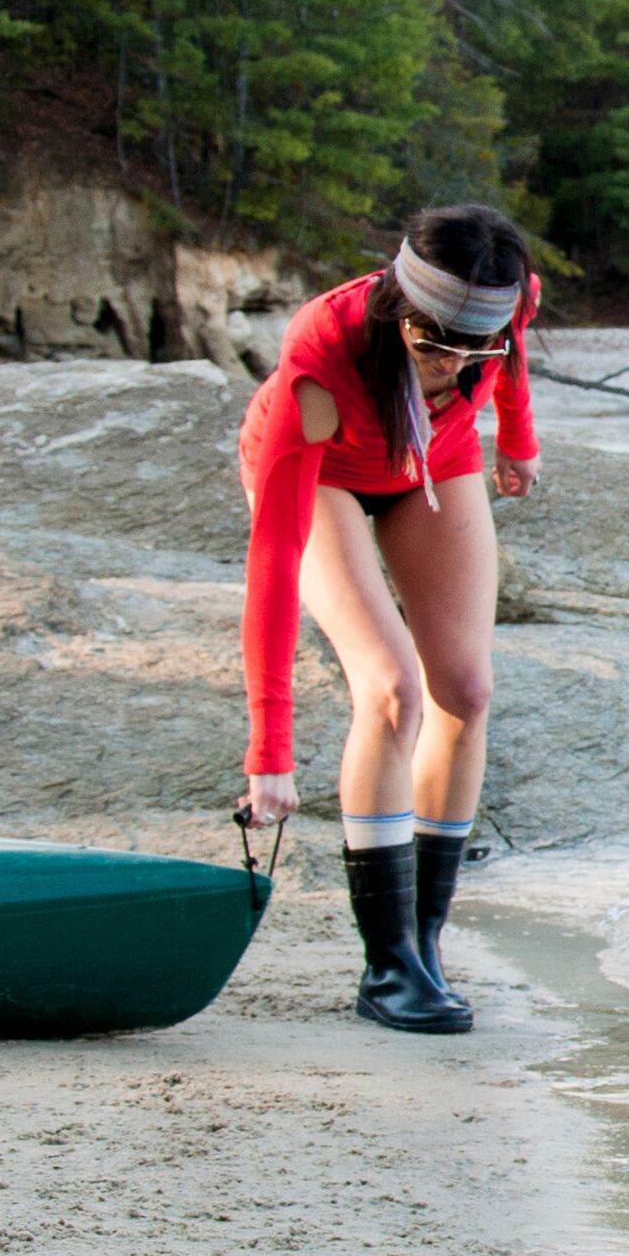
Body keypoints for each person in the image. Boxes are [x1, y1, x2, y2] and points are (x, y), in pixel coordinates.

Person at [236, 204, 540, 1033]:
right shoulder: (322, 354)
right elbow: (272, 557)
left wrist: (518, 439)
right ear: (400, 311)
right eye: (435, 346)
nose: (453, 366)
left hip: (429, 462)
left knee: (466, 690)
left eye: (474, 348)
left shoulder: (503, 306)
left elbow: (509, 368)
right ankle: (388, 966)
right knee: (395, 687)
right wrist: (269, 752)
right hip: (324, 466)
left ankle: (426, 941)